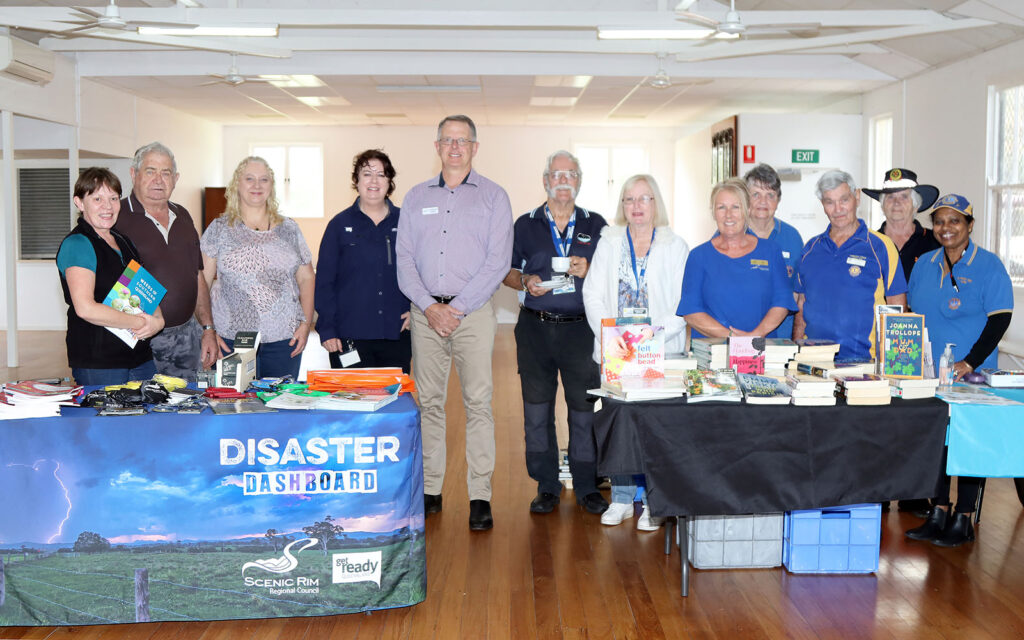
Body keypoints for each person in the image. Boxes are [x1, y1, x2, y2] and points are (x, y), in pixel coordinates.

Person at [396, 115, 514, 531]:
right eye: (448, 140)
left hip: (474, 314)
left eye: (462, 141)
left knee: (477, 404)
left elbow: (497, 262)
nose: (455, 147)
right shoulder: (414, 198)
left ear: (475, 147)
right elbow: (405, 260)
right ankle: (430, 490)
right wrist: (430, 307)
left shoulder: (494, 198)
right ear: (437, 146)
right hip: (425, 315)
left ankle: (479, 495)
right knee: (428, 403)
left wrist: (457, 307)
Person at [501, 150, 609, 516]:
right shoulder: (525, 224)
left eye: (571, 174)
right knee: (536, 411)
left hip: (581, 331)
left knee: (583, 412)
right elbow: (507, 271)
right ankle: (546, 485)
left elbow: (611, 274)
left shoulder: (597, 225)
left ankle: (586, 484)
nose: (564, 180)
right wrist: (526, 279)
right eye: (557, 174)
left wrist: (589, 268)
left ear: (579, 180)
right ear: (545, 180)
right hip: (535, 330)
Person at [905, 193, 1013, 547]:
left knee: (968, 443)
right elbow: (911, 317)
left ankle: (963, 517)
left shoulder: (989, 266)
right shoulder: (924, 264)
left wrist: (969, 362)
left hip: (972, 376)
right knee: (937, 441)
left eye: (955, 221)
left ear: (969, 225)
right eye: (939, 221)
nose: (946, 228)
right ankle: (938, 510)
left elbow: (999, 321)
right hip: (930, 375)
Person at [582, 174, 688, 531]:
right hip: (617, 349)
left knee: (655, 427)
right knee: (619, 424)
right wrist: (614, 336)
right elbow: (592, 294)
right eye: (629, 199)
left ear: (656, 203)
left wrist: (649, 337)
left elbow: (680, 303)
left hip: (660, 348)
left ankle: (655, 501)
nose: (637, 206)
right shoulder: (609, 242)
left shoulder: (675, 245)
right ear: (622, 206)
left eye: (644, 198)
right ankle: (623, 498)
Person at [200, 156, 315, 379]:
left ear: (271, 187)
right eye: (249, 179)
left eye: (264, 179)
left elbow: (307, 278)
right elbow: (201, 283)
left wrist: (306, 323)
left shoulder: (290, 229)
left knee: (279, 406)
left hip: (285, 340)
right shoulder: (219, 229)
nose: (257, 185)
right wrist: (208, 330)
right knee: (233, 407)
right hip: (231, 340)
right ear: (237, 185)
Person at [115, 142, 218, 382]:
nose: (158, 180)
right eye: (150, 171)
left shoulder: (182, 216)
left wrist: (208, 329)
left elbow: (197, 275)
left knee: (189, 407)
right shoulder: (116, 217)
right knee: (145, 412)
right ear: (134, 174)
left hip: (186, 339)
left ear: (176, 178)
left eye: (166, 173)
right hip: (139, 341)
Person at [56, 168, 163, 384]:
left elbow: (142, 287)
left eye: (113, 198)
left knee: (148, 415)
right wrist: (139, 322)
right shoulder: (78, 244)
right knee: (106, 418)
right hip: (100, 363)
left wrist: (158, 322)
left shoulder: (124, 241)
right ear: (79, 202)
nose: (107, 206)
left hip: (139, 357)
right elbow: (86, 308)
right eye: (97, 198)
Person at [794, 170, 907, 362]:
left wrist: (893, 362)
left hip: (865, 363)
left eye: (844, 200)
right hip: (812, 361)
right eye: (830, 202)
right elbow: (802, 306)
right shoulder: (810, 249)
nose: (838, 209)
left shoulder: (881, 246)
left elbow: (897, 307)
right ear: (823, 205)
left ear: (857, 197)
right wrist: (796, 354)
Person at [315, 149, 411, 373]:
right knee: (353, 401)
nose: (374, 181)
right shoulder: (339, 225)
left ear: (390, 182)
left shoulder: (406, 222)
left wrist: (415, 309)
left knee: (394, 400)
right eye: (367, 174)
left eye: (381, 174)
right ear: (356, 181)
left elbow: (421, 269)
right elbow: (325, 281)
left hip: (396, 333)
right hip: (349, 336)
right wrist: (327, 329)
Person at [678, 178, 795, 338]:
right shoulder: (698, 256)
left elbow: (782, 302)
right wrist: (734, 338)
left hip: (761, 352)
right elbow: (691, 312)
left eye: (735, 207)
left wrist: (755, 336)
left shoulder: (770, 251)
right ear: (713, 212)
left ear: (747, 210)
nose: (728, 215)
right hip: (714, 354)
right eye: (721, 207)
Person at [743, 164, 803, 338]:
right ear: (745, 198)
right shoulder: (730, 235)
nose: (763, 202)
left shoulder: (792, 238)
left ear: (778, 201)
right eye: (756, 195)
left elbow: (800, 294)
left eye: (770, 195)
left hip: (782, 340)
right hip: (741, 335)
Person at [862, 168, 941, 281]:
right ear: (883, 205)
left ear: (916, 205)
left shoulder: (935, 242)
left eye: (904, 196)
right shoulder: (867, 243)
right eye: (890, 197)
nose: (896, 202)